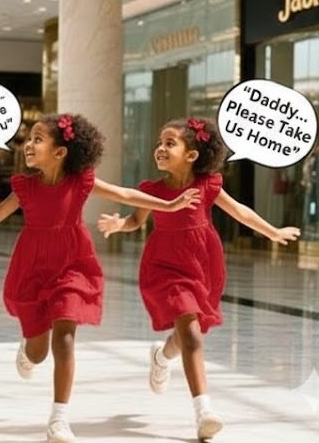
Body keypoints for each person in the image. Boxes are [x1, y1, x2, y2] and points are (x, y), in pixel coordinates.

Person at [0, 113, 200, 443]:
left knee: (66, 335)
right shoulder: (25, 186)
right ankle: (28, 348)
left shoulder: (81, 180)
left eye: (38, 139)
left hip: (73, 264)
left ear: (60, 152)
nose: (28, 144)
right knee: (39, 352)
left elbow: (126, 195)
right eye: (29, 138)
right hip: (32, 267)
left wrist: (168, 205)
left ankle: (59, 418)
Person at [98, 117, 300, 440]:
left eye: (169, 143)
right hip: (164, 266)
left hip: (202, 265)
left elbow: (241, 212)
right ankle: (204, 410)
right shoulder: (153, 190)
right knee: (192, 335)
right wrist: (118, 224)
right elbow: (136, 220)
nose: (160, 149)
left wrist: (272, 232)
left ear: (191, 155)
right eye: (159, 143)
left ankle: (161, 356)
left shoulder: (207, 186)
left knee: (187, 334)